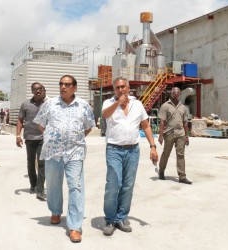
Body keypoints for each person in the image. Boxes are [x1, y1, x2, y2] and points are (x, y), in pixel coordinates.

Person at [33, 75, 95, 243]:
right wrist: (52, 136)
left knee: (75, 186)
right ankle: (55, 211)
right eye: (61, 84)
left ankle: (75, 226)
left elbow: (88, 127)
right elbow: (40, 123)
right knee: (53, 184)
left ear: (74, 87)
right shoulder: (50, 104)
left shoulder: (83, 105)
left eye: (67, 84)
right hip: (53, 152)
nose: (63, 87)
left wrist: (75, 137)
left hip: (75, 152)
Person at [102, 77, 158, 236]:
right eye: (117, 87)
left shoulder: (137, 104)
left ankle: (121, 218)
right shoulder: (109, 103)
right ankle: (110, 219)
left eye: (123, 87)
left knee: (128, 185)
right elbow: (105, 115)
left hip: (133, 150)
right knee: (114, 184)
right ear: (114, 89)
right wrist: (117, 103)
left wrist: (153, 146)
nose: (121, 90)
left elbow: (145, 126)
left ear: (128, 88)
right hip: (114, 149)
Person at [16, 82, 47, 201]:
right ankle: (33, 185)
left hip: (43, 138)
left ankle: (40, 189)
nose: (38, 91)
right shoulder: (25, 104)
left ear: (43, 90)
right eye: (35, 89)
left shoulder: (48, 104)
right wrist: (18, 136)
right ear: (32, 91)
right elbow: (20, 120)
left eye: (40, 89)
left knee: (42, 163)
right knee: (30, 162)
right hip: (29, 138)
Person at [158, 87, 192, 185]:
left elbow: (185, 123)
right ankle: (161, 170)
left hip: (180, 133)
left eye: (177, 92)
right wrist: (160, 136)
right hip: (169, 133)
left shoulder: (183, 107)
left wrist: (186, 136)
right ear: (171, 94)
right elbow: (162, 122)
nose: (175, 94)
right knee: (166, 153)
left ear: (180, 94)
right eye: (173, 92)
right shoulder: (165, 106)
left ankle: (182, 176)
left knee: (180, 155)